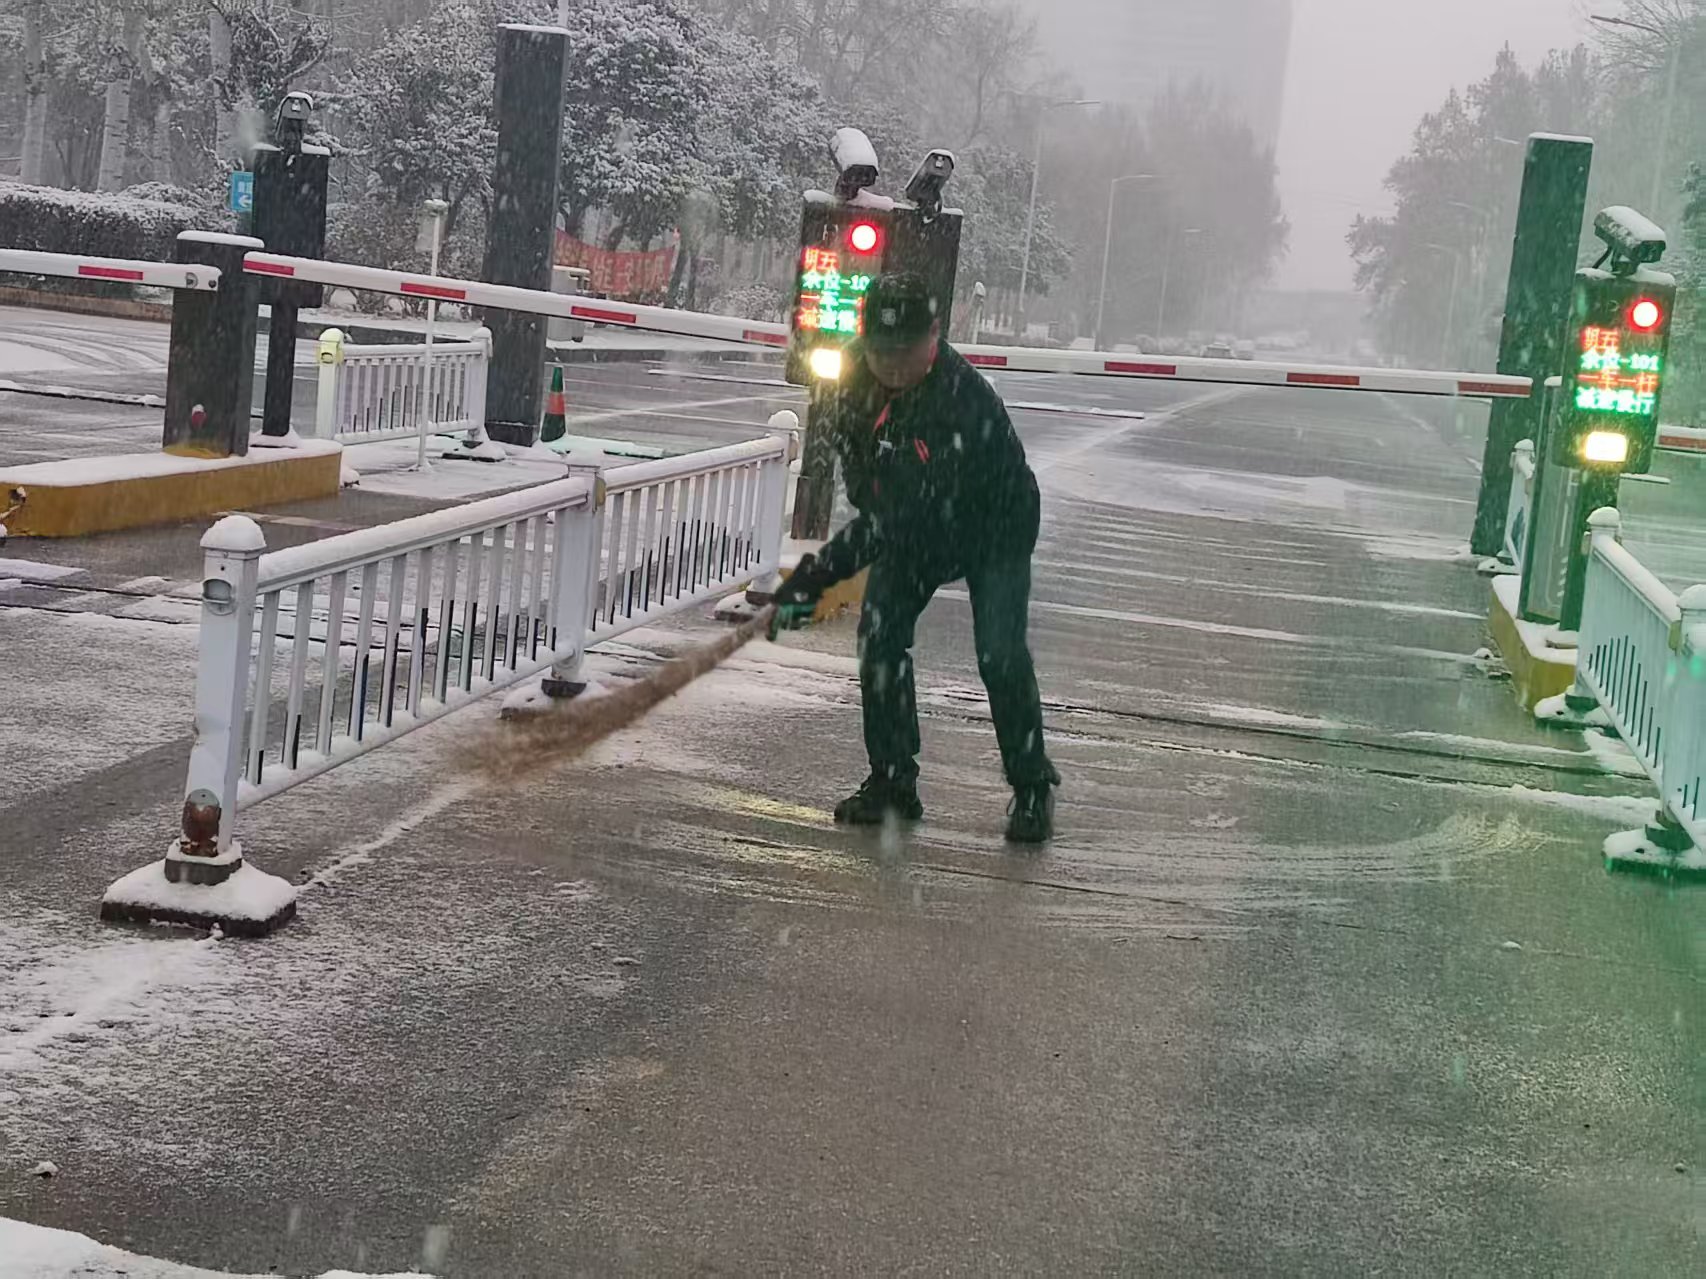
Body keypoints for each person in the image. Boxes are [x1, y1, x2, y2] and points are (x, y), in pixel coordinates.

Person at [776, 272, 1060, 843]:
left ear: (935, 336)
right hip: (914, 525)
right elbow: (866, 489)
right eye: (882, 354)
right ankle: (891, 784)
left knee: (999, 653)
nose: (895, 367)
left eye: (907, 353)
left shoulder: (962, 402)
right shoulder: (847, 382)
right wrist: (816, 579)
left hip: (993, 524)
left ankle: (1032, 787)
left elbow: (899, 517)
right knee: (879, 634)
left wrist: (822, 573)